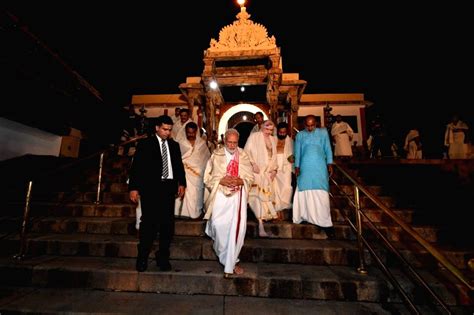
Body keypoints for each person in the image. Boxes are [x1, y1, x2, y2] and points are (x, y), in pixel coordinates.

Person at [128, 115, 186, 272]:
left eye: (169, 130)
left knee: (167, 226)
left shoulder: (174, 146)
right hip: (151, 189)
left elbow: (179, 166)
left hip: (168, 189)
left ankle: (163, 259)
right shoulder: (145, 144)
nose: (167, 132)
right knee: (148, 225)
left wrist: (182, 183)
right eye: (164, 129)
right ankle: (142, 259)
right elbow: (136, 167)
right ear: (157, 128)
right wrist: (133, 187)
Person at [203, 128, 254, 277]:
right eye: (229, 142)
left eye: (235, 143)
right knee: (218, 226)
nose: (232, 146)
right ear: (224, 141)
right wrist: (220, 180)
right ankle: (225, 256)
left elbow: (249, 177)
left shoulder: (243, 155)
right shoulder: (216, 155)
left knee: (236, 230)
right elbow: (207, 177)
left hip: (237, 196)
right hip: (220, 194)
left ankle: (231, 262)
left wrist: (241, 180)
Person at [293, 115, 335, 238]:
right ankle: (306, 216)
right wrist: (297, 166)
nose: (310, 128)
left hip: (320, 167)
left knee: (321, 192)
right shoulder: (300, 135)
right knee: (304, 190)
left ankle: (325, 222)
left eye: (312, 125)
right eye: (307, 125)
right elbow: (298, 152)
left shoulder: (323, 133)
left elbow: (328, 148)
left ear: (316, 123)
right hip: (305, 168)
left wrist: (329, 163)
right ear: (304, 124)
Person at [244, 120, 278, 237]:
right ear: (262, 127)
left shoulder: (273, 139)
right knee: (257, 198)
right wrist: (253, 164)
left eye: (271, 130)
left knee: (266, 199)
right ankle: (260, 226)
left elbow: (274, 157)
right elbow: (246, 151)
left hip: (268, 173)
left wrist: (274, 170)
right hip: (257, 172)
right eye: (266, 129)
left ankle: (263, 225)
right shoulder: (254, 137)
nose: (269, 132)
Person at [175, 122, 211, 219]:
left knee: (196, 194)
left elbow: (206, 158)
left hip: (198, 174)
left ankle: (196, 212)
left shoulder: (201, 143)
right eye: (188, 133)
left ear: (196, 132)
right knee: (185, 192)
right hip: (184, 173)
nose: (190, 135)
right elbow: (176, 159)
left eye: (192, 133)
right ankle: (182, 213)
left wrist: (203, 170)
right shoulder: (180, 143)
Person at [274, 122, 294, 215]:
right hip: (275, 166)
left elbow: (295, 154)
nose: (282, 134)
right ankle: (277, 205)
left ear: (287, 132)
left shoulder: (290, 141)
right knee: (276, 187)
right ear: (277, 131)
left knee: (286, 186)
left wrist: (293, 157)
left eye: (284, 132)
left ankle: (285, 204)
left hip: (286, 166)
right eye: (280, 132)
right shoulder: (273, 139)